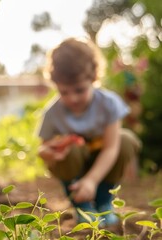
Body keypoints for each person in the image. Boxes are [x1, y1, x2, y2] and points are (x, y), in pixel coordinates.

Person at [36, 37, 141, 226]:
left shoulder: (108, 104)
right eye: (64, 92)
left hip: (103, 164)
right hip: (72, 168)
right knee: (70, 148)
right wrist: (50, 152)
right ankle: (82, 206)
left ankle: (103, 204)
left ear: (93, 78)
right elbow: (42, 150)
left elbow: (111, 148)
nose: (73, 98)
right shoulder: (52, 113)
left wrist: (91, 180)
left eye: (79, 90)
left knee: (125, 139)